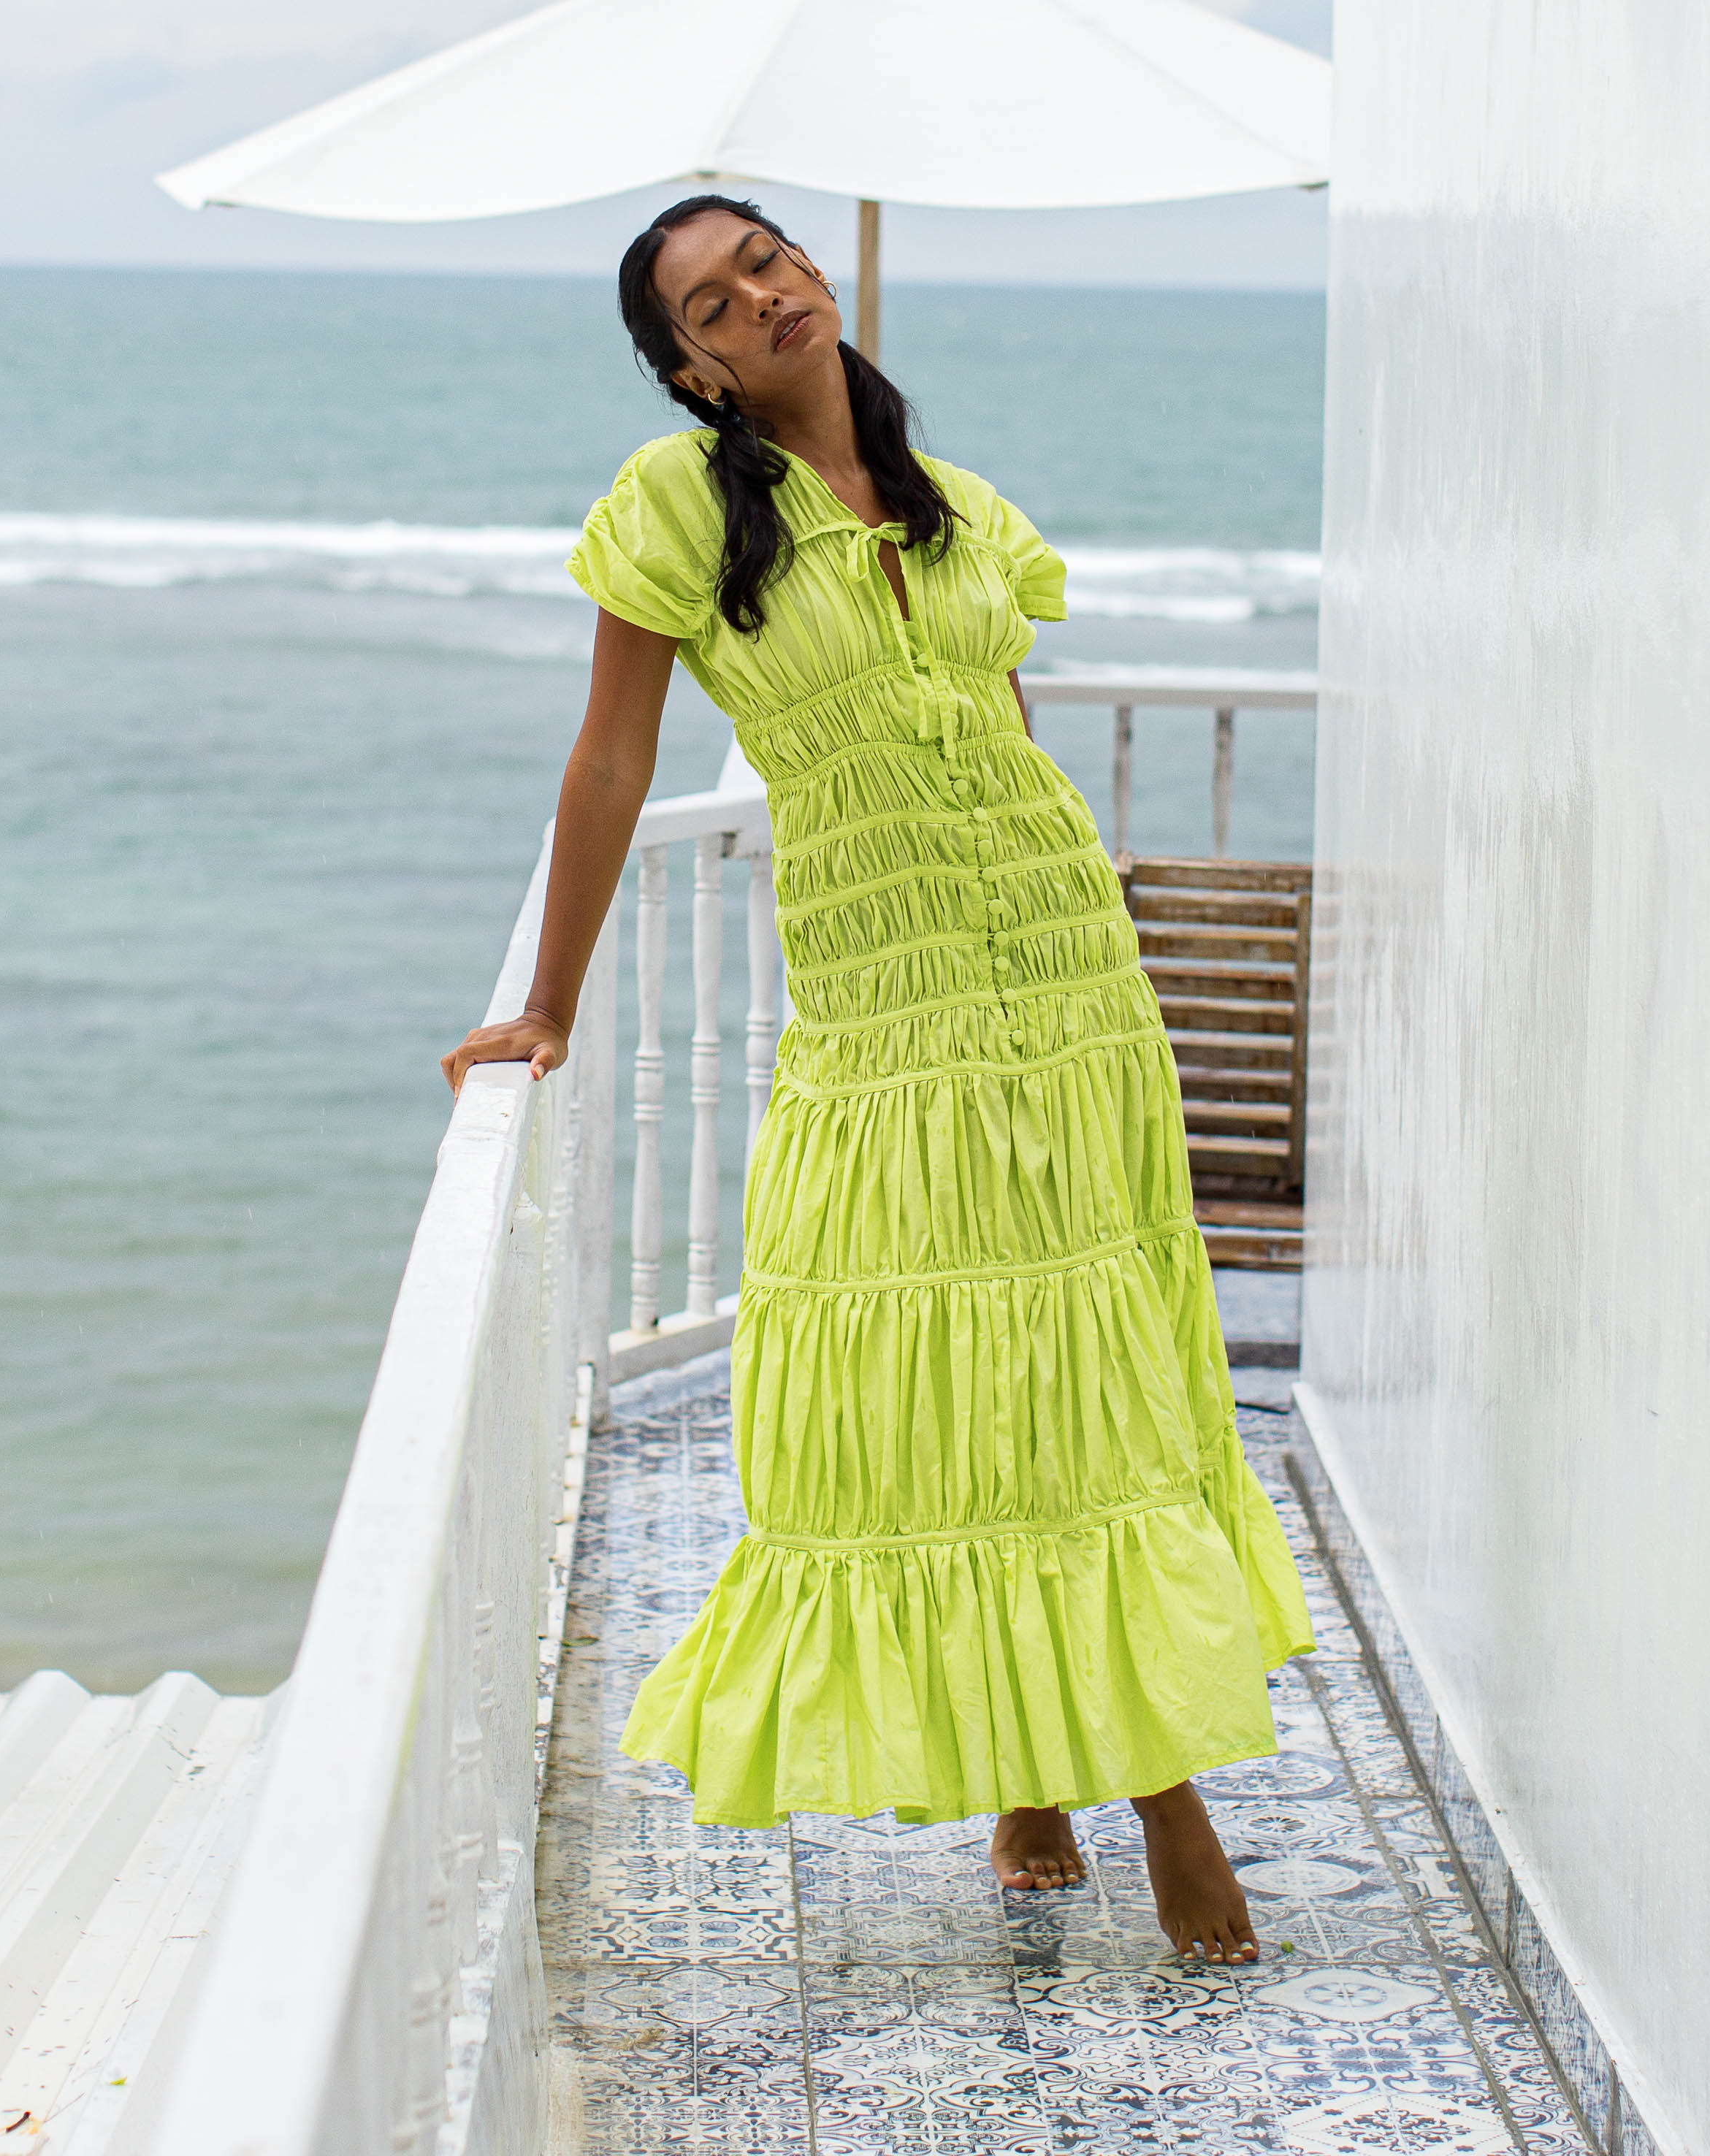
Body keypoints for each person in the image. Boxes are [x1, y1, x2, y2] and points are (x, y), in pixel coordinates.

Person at [443, 196, 1313, 1965]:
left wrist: (1075, 958)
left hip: (1067, 994)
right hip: (886, 1003)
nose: (761, 292)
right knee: (945, 1384)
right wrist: (549, 1003)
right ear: (687, 362)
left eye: (766, 258)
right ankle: (1135, 1795)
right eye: (712, 298)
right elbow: (614, 762)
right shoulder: (679, 512)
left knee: (1087, 1378)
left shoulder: (956, 507)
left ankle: (1083, 1784)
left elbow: (1000, 740)